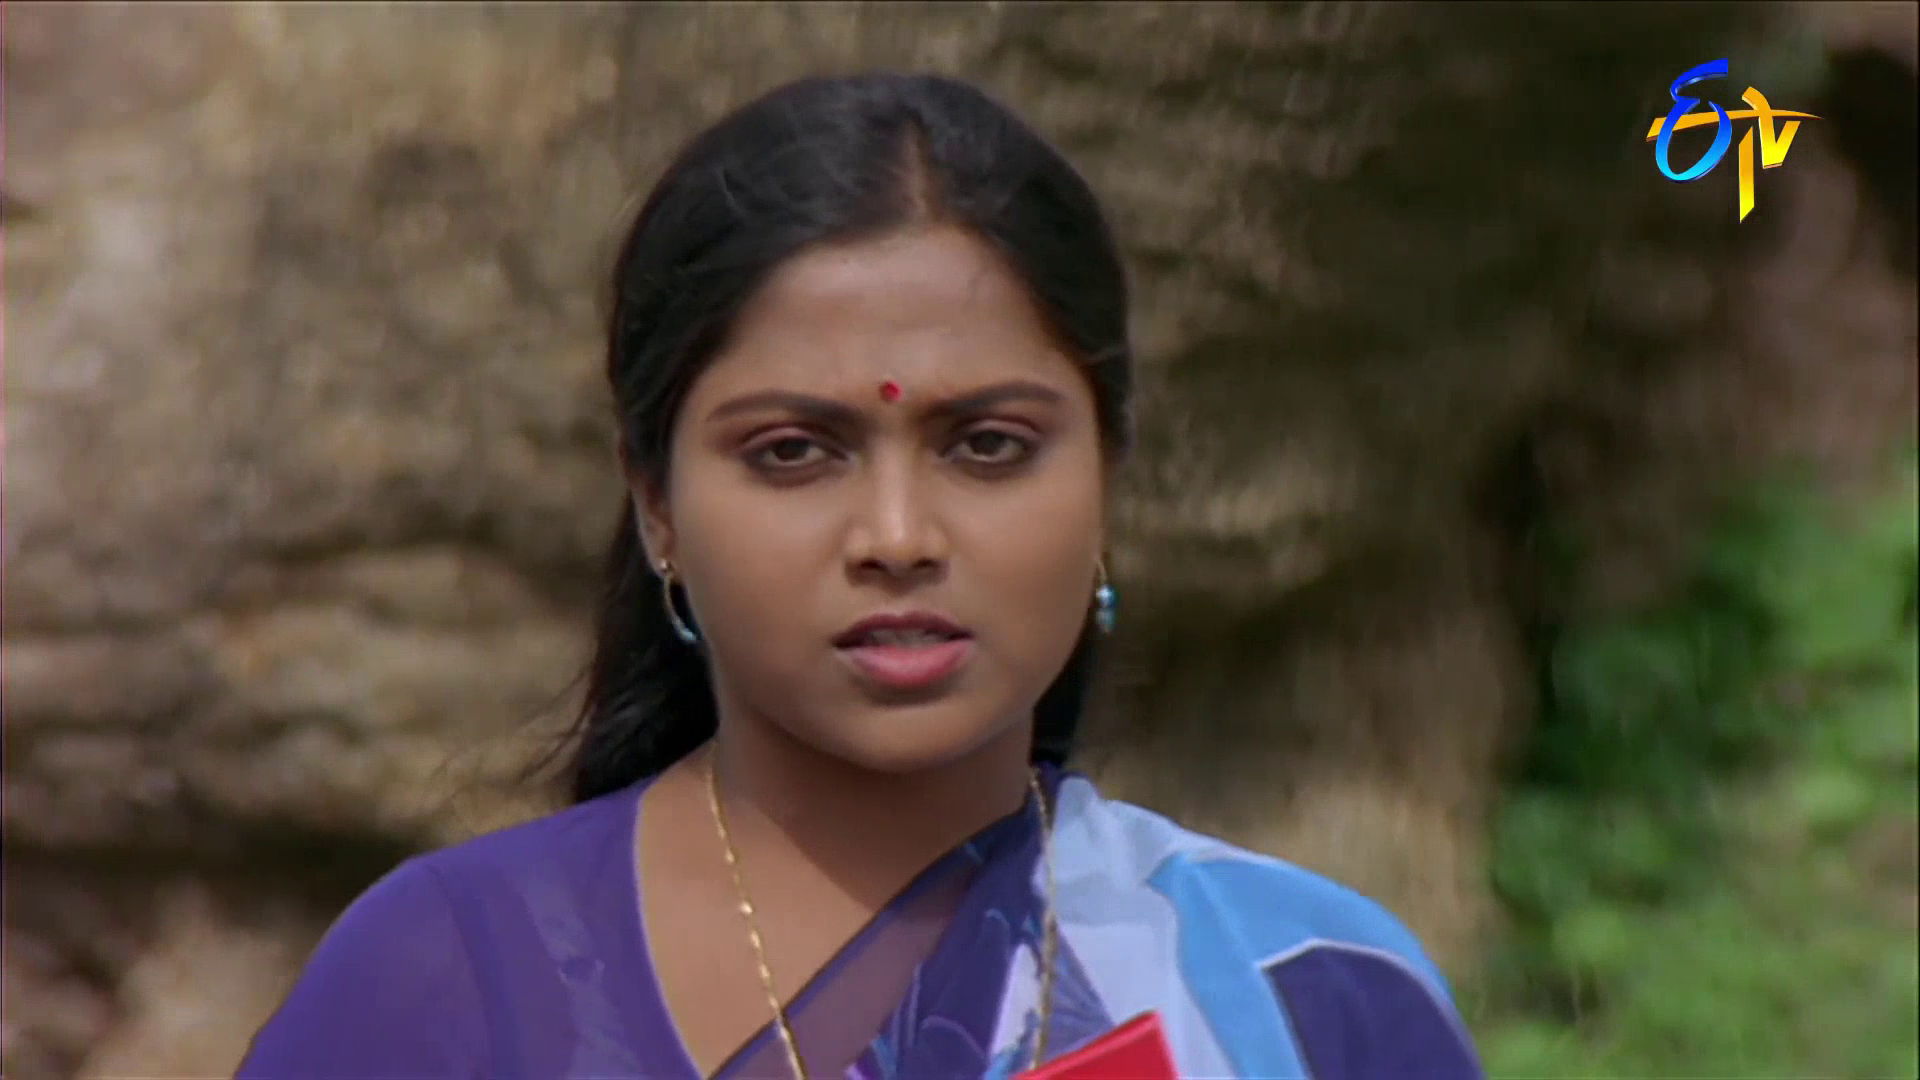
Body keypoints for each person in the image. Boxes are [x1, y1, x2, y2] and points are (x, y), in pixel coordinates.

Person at [237, 72, 1484, 1080]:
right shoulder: (447, 985)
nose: (896, 533)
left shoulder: (1301, 995)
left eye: (987, 445)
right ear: (656, 503)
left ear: (1108, 477)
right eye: (794, 452)